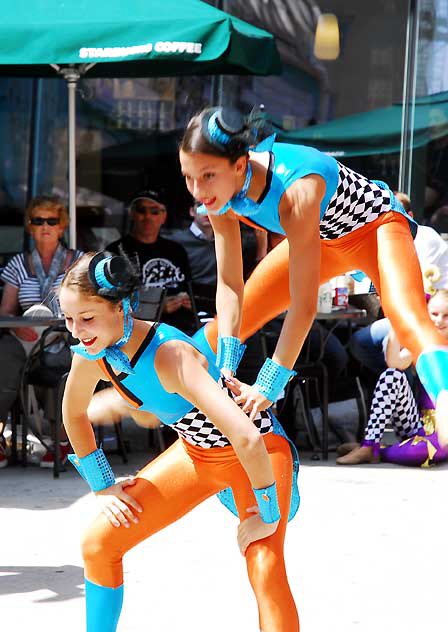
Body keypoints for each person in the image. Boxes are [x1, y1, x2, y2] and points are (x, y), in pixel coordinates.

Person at [177, 106, 448, 449]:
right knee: (245, 313)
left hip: (376, 228)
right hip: (323, 239)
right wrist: (228, 357)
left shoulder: (297, 191)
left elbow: (303, 306)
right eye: (188, 176)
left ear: (240, 165)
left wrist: (268, 384)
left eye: (208, 176)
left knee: (405, 313)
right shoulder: (216, 197)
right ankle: (154, 385)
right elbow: (230, 286)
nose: (197, 190)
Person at [59, 252, 299, 632]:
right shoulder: (91, 353)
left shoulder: (171, 354)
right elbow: (73, 414)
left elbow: (246, 436)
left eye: (87, 318)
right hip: (195, 455)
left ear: (121, 308)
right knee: (98, 544)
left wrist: (268, 517)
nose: (77, 330)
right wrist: (102, 484)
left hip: (258, 456)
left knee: (264, 563)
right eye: (69, 319)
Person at [337, 289, 448, 465]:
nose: (438, 320)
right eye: (434, 314)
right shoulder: (423, 346)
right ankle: (369, 444)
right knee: (392, 376)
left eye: (446, 316)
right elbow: (394, 362)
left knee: (425, 450)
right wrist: (396, 325)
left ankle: (376, 450)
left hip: (446, 429)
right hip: (415, 424)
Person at [348, 192, 448, 376]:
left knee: (385, 342)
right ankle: (399, 388)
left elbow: (415, 284)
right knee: (360, 342)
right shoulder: (386, 241)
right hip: (413, 317)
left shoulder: (424, 237)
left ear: (410, 217)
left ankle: (405, 392)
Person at [0, 194, 82, 468]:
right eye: (38, 220)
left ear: (62, 226)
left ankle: (60, 441)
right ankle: (0, 437)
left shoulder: (78, 262)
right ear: (30, 226)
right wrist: (19, 328)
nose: (45, 225)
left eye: (52, 220)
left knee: (63, 360)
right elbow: (5, 312)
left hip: (68, 332)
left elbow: (90, 304)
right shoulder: (17, 265)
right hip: (27, 336)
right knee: (4, 357)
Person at [106, 189, 196, 334]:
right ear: (132, 214)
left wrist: (188, 301)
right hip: (138, 331)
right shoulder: (116, 252)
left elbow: (189, 290)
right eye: (141, 210)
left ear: (163, 216)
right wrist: (158, 306)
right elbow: (112, 302)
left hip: (181, 330)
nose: (147, 216)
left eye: (155, 211)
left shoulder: (176, 250)